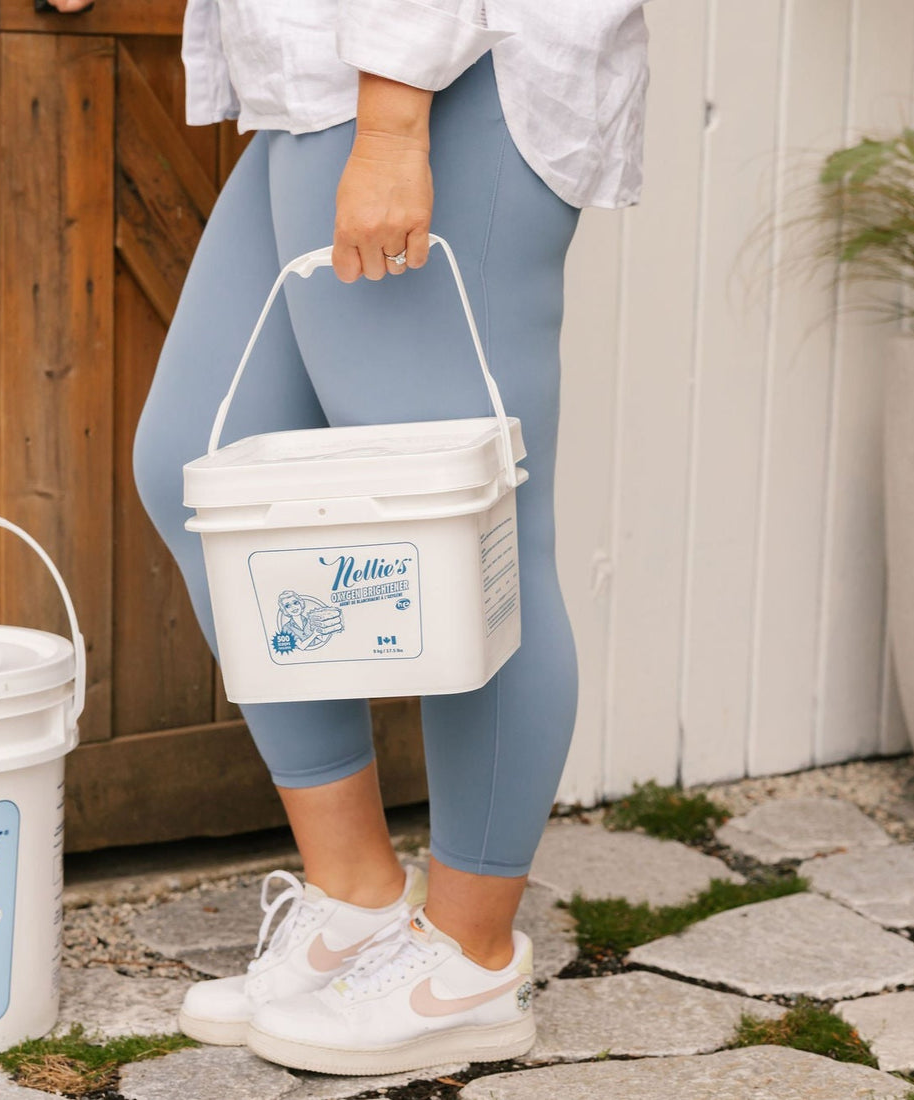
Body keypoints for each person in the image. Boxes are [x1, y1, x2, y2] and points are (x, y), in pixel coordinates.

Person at [51, 0, 650, 1077]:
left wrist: (388, 125)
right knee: (197, 457)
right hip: (320, 76)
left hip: (443, 68)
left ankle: (466, 960)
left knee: (467, 535)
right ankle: (359, 900)